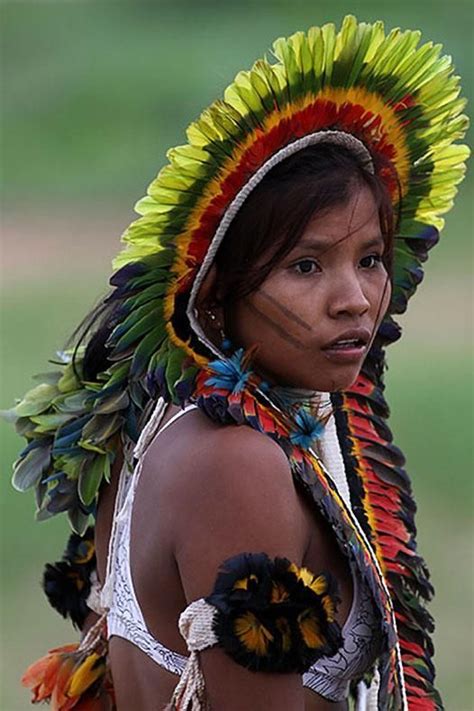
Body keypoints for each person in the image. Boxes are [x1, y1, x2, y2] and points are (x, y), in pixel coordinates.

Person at [8, 15, 468, 711]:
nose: (355, 301)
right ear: (217, 291)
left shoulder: (159, 414)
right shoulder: (234, 464)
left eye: (370, 259)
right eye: (305, 265)